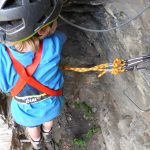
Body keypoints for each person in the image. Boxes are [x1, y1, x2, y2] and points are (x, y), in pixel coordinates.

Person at [0, 0, 66, 149]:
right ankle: (48, 133)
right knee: (49, 119)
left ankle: (38, 144)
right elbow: (62, 36)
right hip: (52, 104)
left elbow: (4, 86)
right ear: (42, 31)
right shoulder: (55, 42)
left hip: (24, 110)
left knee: (32, 126)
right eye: (55, 21)